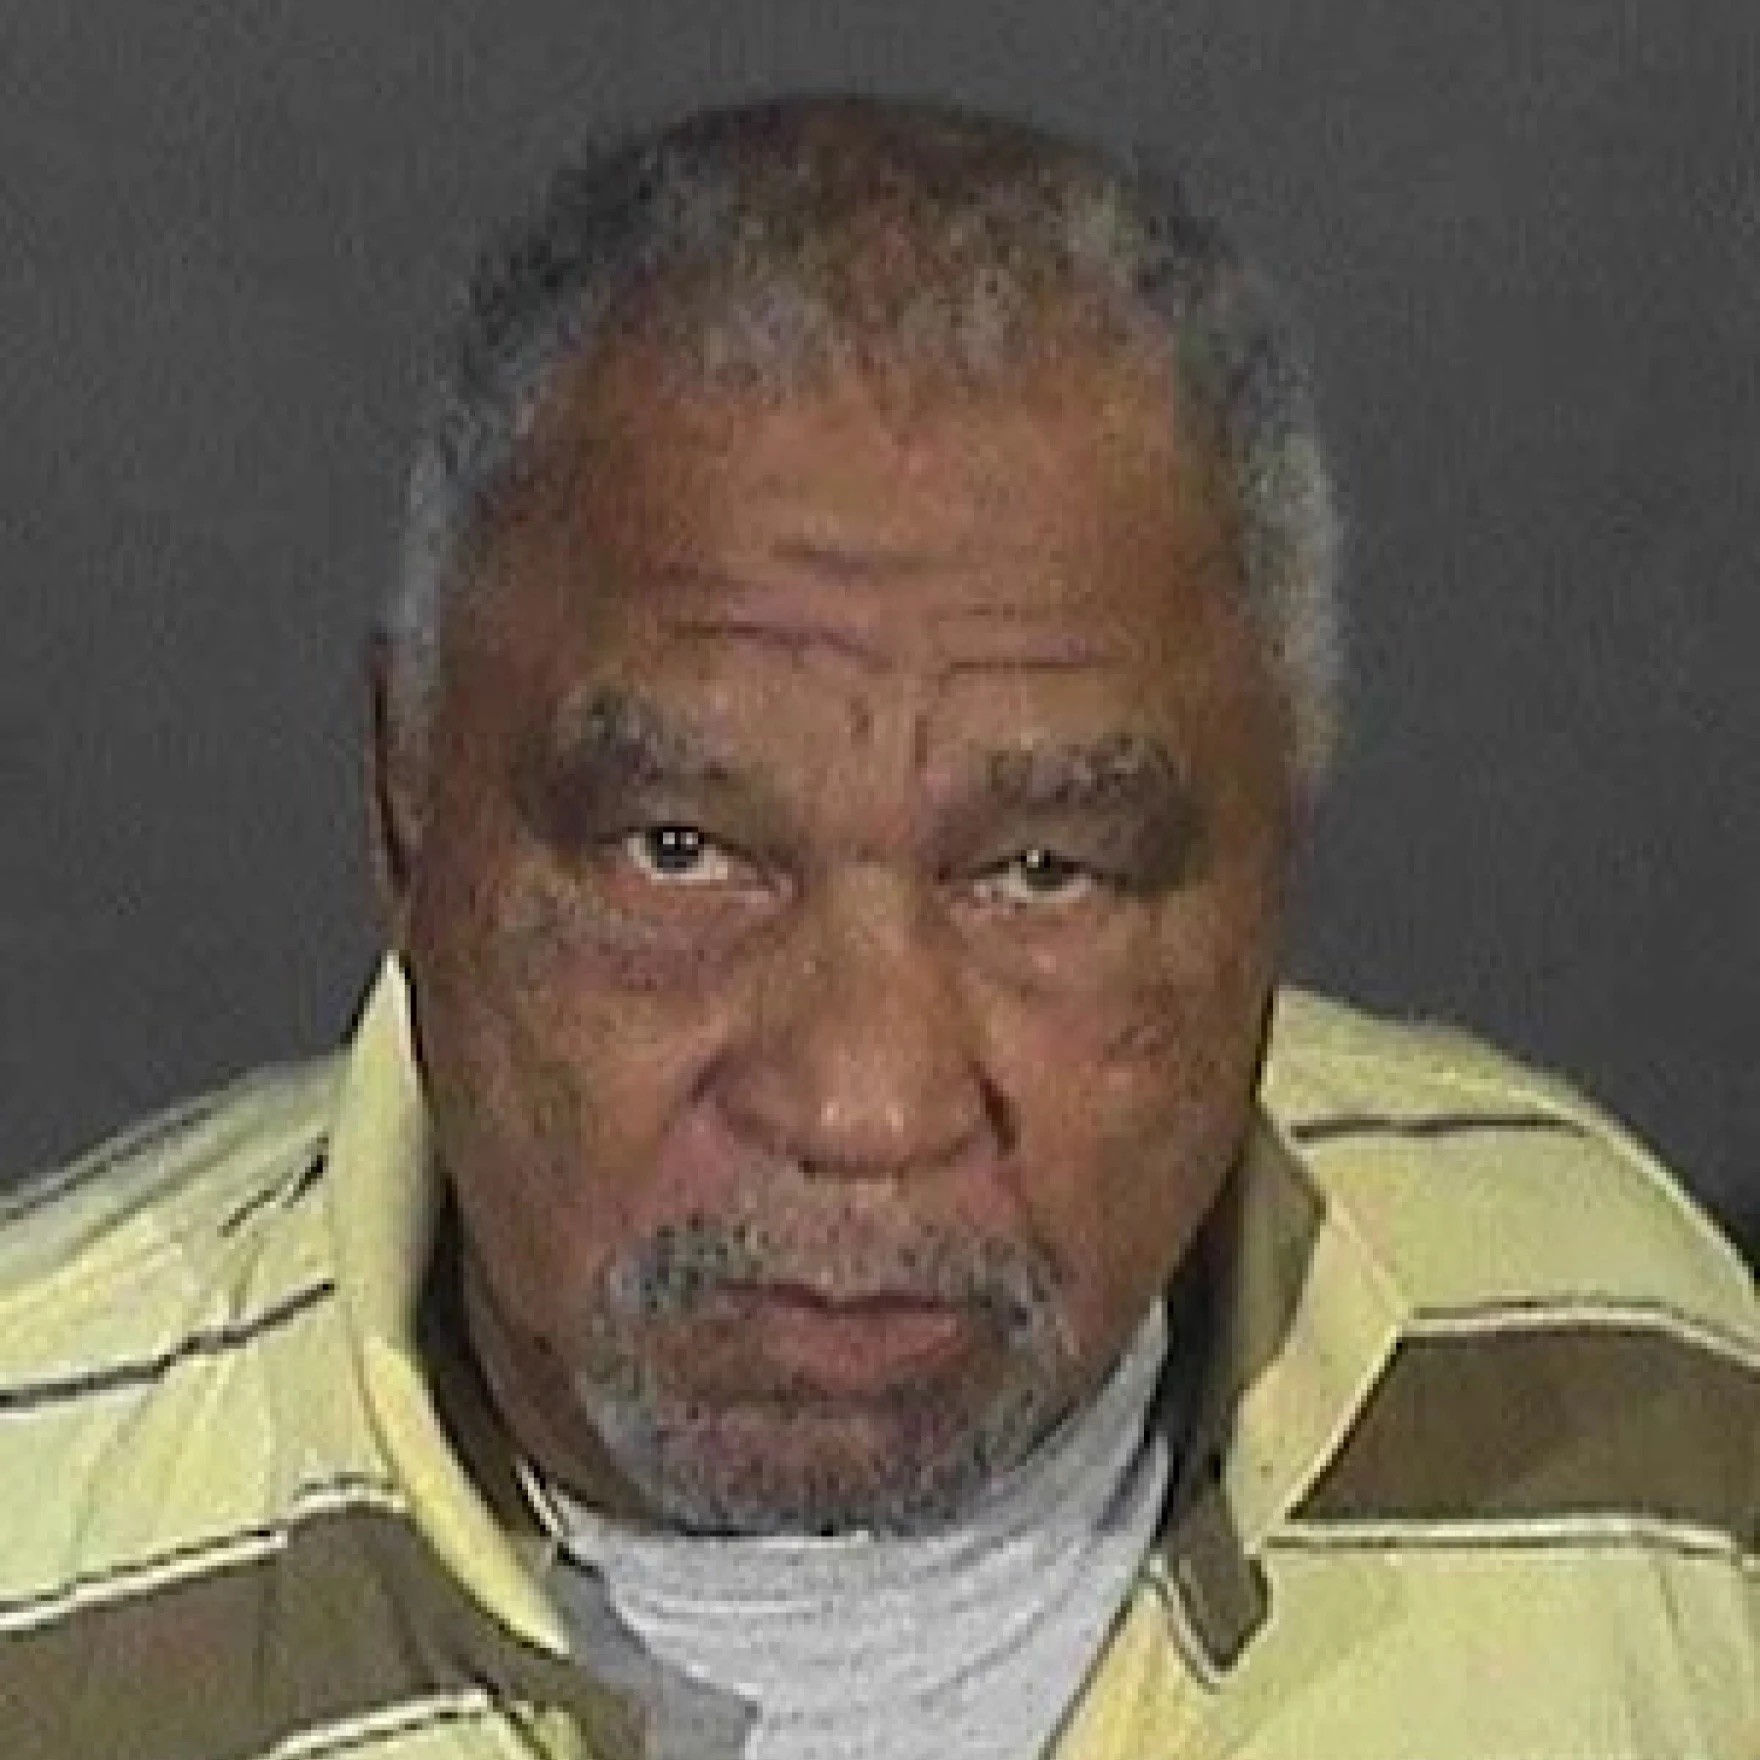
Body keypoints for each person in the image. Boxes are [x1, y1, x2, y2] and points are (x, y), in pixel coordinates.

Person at [0, 92, 1752, 1760]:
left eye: (1044, 874)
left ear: (1277, 854)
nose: (864, 1107)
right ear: (406, 806)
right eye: (680, 852)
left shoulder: (1635, 1390)